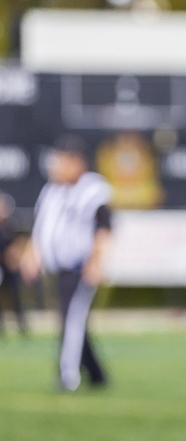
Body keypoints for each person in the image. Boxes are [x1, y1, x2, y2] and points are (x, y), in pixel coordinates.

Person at [20, 135, 112, 391]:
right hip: (58, 267)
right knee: (71, 319)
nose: (55, 167)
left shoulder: (92, 189)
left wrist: (96, 262)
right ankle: (97, 375)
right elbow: (41, 229)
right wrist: (32, 256)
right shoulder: (51, 191)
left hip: (79, 266)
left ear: (77, 162)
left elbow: (104, 228)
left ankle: (67, 376)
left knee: (70, 320)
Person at [0, 191, 29, 337]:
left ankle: (22, 328)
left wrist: (15, 257)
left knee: (15, 297)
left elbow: (18, 243)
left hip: (9, 267)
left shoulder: (11, 225)